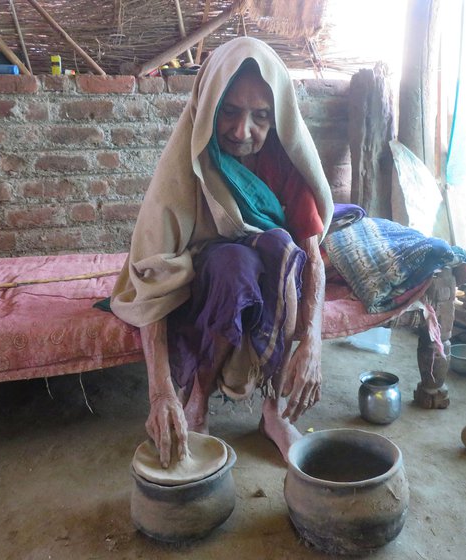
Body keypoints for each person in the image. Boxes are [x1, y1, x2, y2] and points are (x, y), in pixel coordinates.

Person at [111, 37, 333, 468]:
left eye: (261, 117)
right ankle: (197, 402)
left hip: (269, 276)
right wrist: (160, 394)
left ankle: (273, 410)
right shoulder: (188, 163)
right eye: (229, 111)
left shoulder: (285, 164)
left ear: (279, 118)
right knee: (234, 263)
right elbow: (153, 272)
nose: (241, 131)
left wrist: (314, 342)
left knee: (282, 250)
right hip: (207, 280)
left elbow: (313, 257)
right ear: (209, 103)